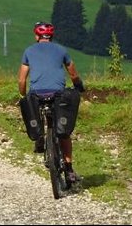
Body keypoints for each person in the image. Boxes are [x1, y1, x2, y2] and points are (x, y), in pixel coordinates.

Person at [18, 21, 84, 183]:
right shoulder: (61, 50)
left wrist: (22, 96)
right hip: (58, 94)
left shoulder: (28, 51)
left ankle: (40, 138)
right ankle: (69, 170)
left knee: (36, 108)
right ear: (51, 36)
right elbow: (73, 74)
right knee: (64, 133)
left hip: (37, 94)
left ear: (36, 36)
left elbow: (22, 80)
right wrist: (78, 86)